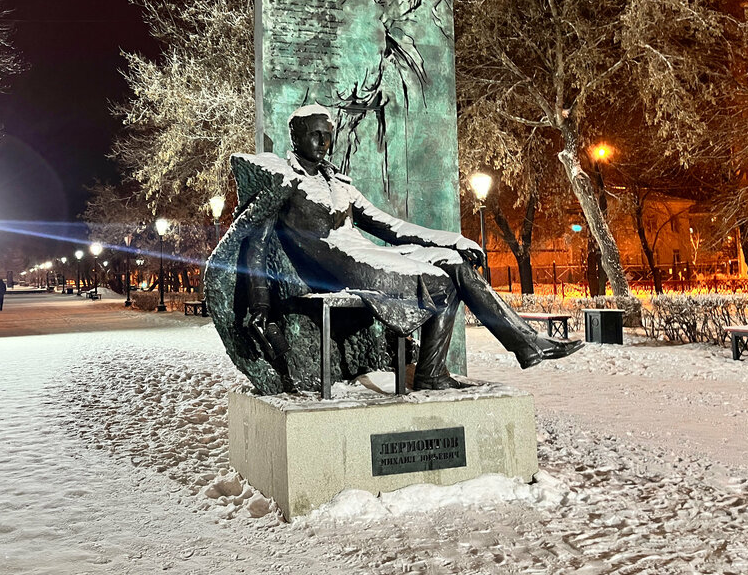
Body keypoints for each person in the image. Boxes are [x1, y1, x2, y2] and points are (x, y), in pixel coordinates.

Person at [227, 104, 582, 392]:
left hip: (365, 256)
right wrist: (260, 306)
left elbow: (391, 228)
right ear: (296, 136)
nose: (323, 143)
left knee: (455, 264)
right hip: (334, 269)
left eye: (328, 135)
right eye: (315, 135)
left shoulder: (340, 183)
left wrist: (453, 241)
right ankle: (441, 369)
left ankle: (483, 357)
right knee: (442, 282)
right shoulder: (284, 181)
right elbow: (256, 243)